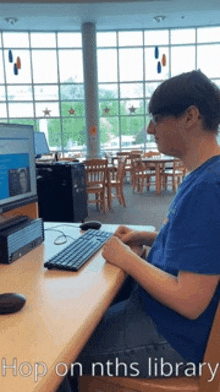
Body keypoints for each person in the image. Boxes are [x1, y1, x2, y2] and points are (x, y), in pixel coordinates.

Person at [59, 70, 220, 391]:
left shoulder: (208, 187)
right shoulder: (202, 176)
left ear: (190, 116)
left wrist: (126, 258)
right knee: (77, 324)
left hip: (174, 338)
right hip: (161, 318)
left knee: (62, 355)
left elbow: (191, 301)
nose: (149, 129)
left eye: (157, 118)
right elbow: (203, 248)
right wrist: (147, 238)